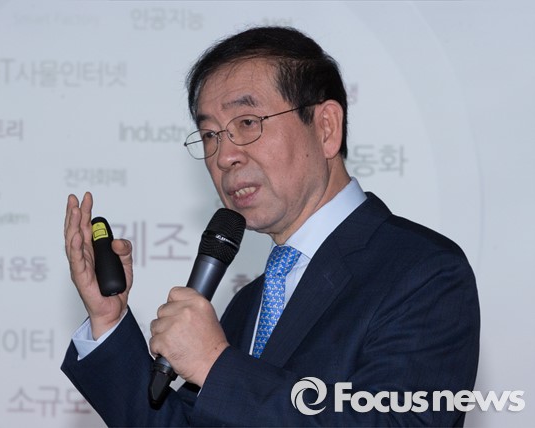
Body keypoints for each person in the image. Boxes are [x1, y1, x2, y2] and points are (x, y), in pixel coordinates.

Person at [61, 26, 480, 426]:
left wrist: (216, 365)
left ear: (326, 128)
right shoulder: (248, 303)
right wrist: (108, 320)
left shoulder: (423, 271)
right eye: (209, 135)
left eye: (247, 123)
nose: (224, 156)